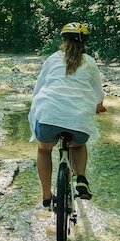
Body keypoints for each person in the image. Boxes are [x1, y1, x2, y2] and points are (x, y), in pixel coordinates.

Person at [29, 22, 106, 208]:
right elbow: (98, 94)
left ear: (63, 40)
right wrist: (99, 106)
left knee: (44, 149)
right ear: (84, 43)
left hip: (48, 116)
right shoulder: (89, 62)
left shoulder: (52, 59)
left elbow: (38, 89)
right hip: (78, 121)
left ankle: (47, 196)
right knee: (78, 144)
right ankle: (81, 178)